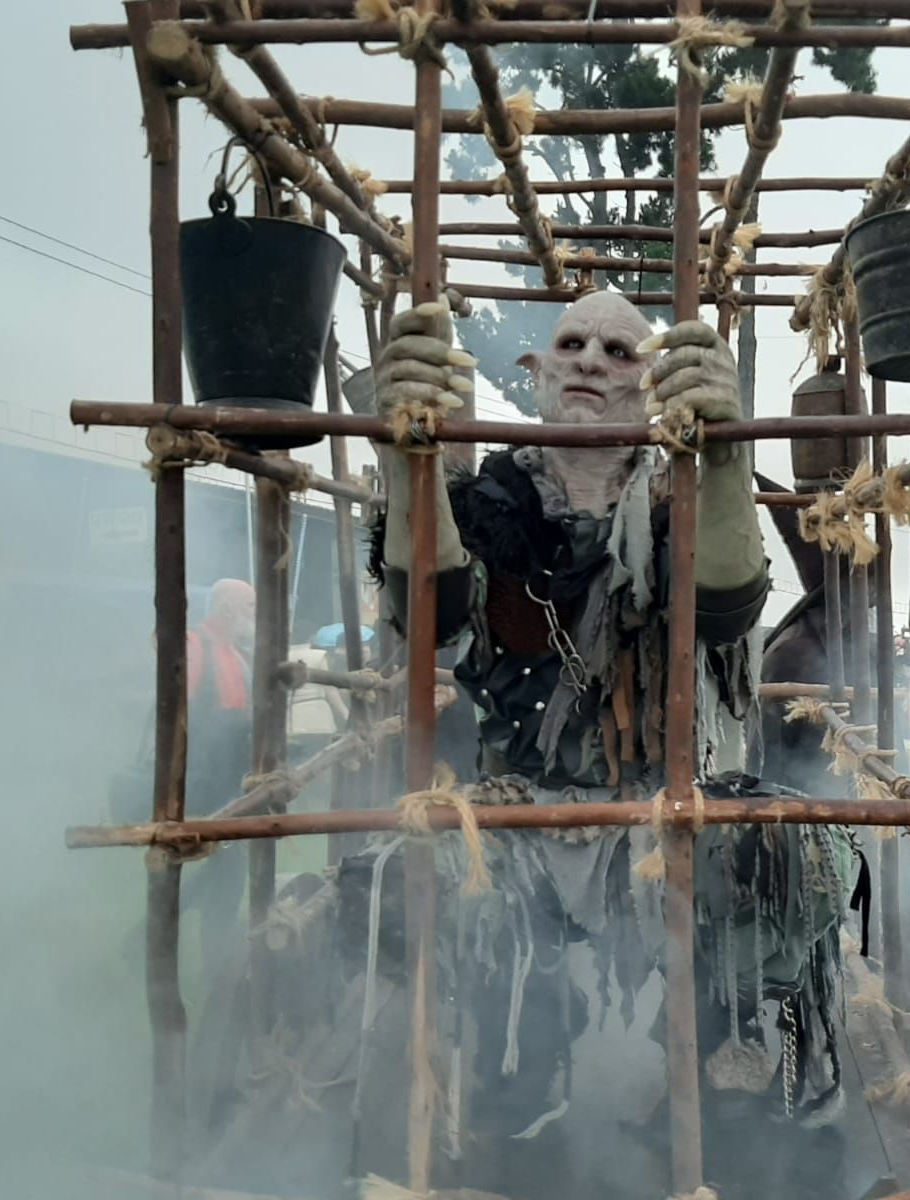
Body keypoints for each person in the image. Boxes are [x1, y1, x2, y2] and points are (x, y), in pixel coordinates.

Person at [349, 294, 857, 1191]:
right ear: (536, 375)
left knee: (780, 855)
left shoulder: (681, 494)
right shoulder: (488, 503)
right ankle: (520, 1089)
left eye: (620, 351)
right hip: (524, 809)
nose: (590, 360)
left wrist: (728, 450)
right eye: (570, 345)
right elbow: (429, 617)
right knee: (444, 877)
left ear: (649, 385)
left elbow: (730, 604)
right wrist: (410, 459)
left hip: (666, 803)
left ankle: (727, 1078)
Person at [183, 578, 256, 980]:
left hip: (232, 777)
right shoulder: (197, 647)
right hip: (207, 780)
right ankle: (216, 966)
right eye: (249, 606)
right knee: (222, 874)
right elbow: (181, 712)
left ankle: (217, 957)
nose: (254, 615)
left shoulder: (238, 654)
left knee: (226, 873)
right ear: (227, 608)